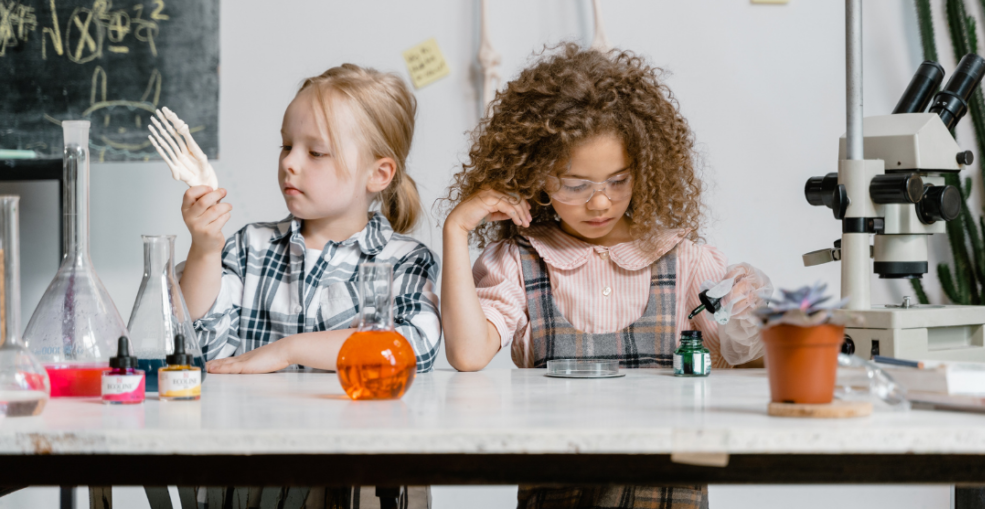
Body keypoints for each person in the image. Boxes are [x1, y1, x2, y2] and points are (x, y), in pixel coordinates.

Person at [441, 43, 770, 509]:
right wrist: (456, 230)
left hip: (667, 489)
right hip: (558, 490)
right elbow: (469, 355)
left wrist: (753, 314)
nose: (600, 203)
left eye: (618, 181)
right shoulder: (520, 260)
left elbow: (750, 363)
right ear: (535, 177)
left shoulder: (682, 259)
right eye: (576, 186)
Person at [178, 63, 440, 376]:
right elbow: (195, 350)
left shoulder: (403, 261)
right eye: (286, 146)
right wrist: (205, 251)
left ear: (378, 174)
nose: (289, 161)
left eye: (316, 152)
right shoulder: (249, 247)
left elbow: (415, 347)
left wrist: (288, 350)